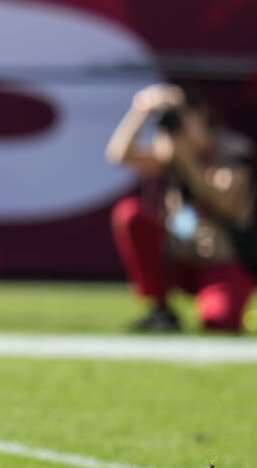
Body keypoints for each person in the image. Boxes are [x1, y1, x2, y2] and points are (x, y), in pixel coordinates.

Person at [106, 83, 254, 332]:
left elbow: (225, 204)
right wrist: (142, 109)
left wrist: (188, 164)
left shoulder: (232, 150)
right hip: (181, 258)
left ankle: (214, 302)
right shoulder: (171, 153)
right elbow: (119, 155)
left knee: (219, 323)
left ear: (201, 114)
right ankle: (161, 310)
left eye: (180, 117)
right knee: (130, 214)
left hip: (223, 262)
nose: (177, 127)